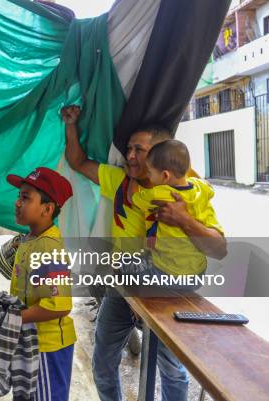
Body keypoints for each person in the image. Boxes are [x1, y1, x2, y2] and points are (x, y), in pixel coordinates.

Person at [61, 106, 226, 401]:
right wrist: (71, 124)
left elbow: (219, 249)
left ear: (159, 155)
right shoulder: (119, 180)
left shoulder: (189, 192)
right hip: (124, 288)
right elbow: (77, 161)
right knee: (103, 362)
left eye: (140, 149)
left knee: (171, 368)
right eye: (129, 149)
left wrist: (184, 220)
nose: (132, 156)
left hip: (166, 292)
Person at [7, 166, 76, 401]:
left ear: (47, 209)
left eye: (26, 197)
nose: (18, 202)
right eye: (19, 196)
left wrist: (13, 319)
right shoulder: (30, 239)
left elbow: (59, 305)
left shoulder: (48, 247)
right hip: (30, 341)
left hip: (47, 348)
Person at [130, 139, 224, 280]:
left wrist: (133, 179)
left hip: (166, 273)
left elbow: (133, 198)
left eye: (149, 172)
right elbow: (209, 187)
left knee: (123, 266)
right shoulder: (200, 188)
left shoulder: (159, 193)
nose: (148, 176)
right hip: (197, 275)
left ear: (165, 176)